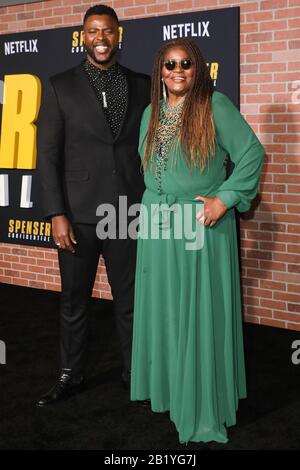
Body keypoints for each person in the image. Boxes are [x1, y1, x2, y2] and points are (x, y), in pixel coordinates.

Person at [130, 38, 265, 443]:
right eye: (169, 64)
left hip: (199, 224)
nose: (177, 70)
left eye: (185, 63)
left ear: (198, 67)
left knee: (196, 312)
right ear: (160, 69)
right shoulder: (151, 112)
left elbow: (252, 154)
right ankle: (172, 390)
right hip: (157, 222)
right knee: (167, 309)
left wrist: (224, 199)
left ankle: (202, 403)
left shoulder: (214, 105)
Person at [36, 4, 150, 406]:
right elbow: (47, 155)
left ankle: (136, 372)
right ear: (82, 36)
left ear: (119, 36)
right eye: (92, 31)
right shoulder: (59, 85)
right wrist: (56, 214)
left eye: (107, 31)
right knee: (74, 300)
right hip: (78, 215)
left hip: (127, 213)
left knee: (132, 301)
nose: (100, 38)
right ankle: (71, 374)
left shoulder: (143, 85)